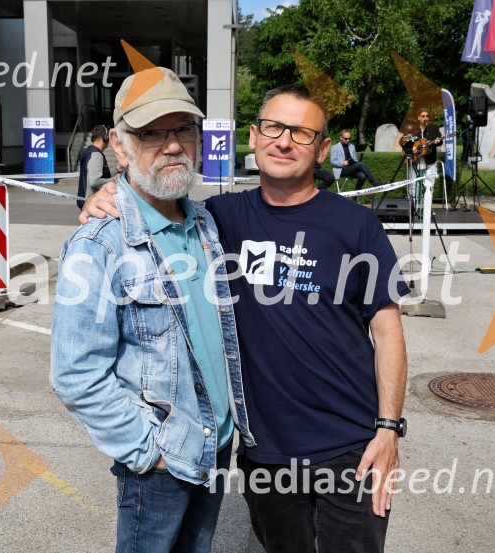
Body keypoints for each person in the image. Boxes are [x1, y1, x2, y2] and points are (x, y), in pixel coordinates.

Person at [83, 84, 409, 553]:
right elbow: (149, 197)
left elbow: (388, 331)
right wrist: (104, 195)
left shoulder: (355, 224)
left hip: (351, 447)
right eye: (274, 127)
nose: (284, 141)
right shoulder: (216, 219)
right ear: (253, 137)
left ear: (321, 149)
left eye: (302, 133)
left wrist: (388, 430)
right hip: (263, 452)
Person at [51, 67, 255, 553]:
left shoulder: (206, 224)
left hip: (216, 448)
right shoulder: (99, 243)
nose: (171, 145)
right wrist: (150, 452)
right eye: (150, 133)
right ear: (120, 148)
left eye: (183, 128)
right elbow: (75, 374)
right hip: (161, 465)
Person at [400, 108, 443, 200]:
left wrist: (437, 141)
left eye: (427, 116)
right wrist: (412, 148)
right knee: (413, 187)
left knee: (429, 186)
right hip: (415, 161)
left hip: (429, 162)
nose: (425, 118)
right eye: (423, 116)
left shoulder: (434, 129)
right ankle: (413, 210)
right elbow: (403, 142)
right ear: (418, 118)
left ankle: (427, 212)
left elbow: (440, 142)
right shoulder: (412, 129)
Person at [75, 124, 112, 209]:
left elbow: (100, 174)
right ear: (105, 137)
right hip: (92, 203)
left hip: (88, 202)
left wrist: (118, 169)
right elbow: (95, 181)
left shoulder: (90, 152)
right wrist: (114, 180)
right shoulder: (96, 155)